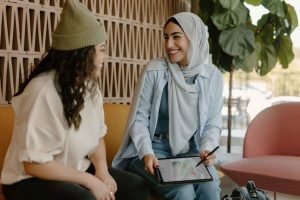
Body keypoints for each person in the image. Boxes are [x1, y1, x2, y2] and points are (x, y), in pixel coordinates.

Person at [0, 0, 149, 200]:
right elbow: (33, 164)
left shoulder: (90, 87)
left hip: (74, 171)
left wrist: (102, 172)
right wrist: (89, 181)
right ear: (82, 54)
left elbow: (97, 139)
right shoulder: (42, 90)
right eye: (102, 49)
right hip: (28, 180)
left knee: (136, 187)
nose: (105, 56)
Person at [112, 12, 223, 200]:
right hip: (153, 149)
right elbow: (139, 119)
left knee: (210, 189)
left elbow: (212, 123)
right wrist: (146, 152)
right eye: (166, 37)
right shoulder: (155, 70)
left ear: (193, 38)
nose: (169, 45)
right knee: (183, 191)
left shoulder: (213, 77)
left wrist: (207, 148)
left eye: (176, 37)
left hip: (191, 150)